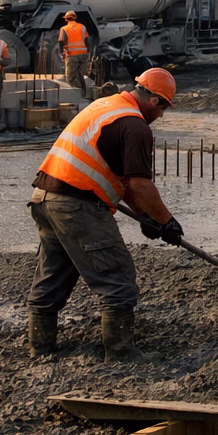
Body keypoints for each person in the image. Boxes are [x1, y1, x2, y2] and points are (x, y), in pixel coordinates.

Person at [26, 67, 181, 361]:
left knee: (53, 274)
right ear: (155, 102)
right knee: (117, 279)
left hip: (44, 199)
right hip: (77, 207)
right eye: (163, 110)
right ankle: (121, 353)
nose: (160, 116)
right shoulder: (135, 125)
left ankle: (40, 346)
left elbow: (124, 183)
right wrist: (167, 221)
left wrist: (147, 218)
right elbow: (140, 184)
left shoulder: (105, 105)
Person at [60, 11, 91, 94]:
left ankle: (78, 94)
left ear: (66, 19)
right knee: (82, 75)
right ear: (75, 18)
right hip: (83, 54)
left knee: (71, 76)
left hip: (72, 55)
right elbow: (87, 40)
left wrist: (61, 52)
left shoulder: (64, 29)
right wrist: (88, 52)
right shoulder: (82, 27)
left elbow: (61, 41)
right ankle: (85, 93)